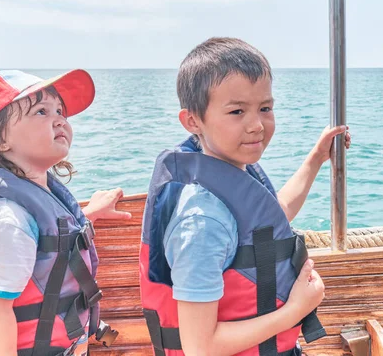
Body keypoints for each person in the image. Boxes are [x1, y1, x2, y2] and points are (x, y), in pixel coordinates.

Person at [139, 37, 351, 355]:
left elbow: (271, 219)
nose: (257, 125)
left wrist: (317, 158)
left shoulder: (230, 171)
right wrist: (294, 311)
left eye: (265, 108)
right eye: (237, 111)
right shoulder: (202, 221)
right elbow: (200, 347)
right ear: (193, 120)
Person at [0, 70, 129, 356]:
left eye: (60, 110)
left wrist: (88, 214)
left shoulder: (35, 200)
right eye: (41, 112)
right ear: (1, 139)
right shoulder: (6, 221)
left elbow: (53, 238)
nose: (59, 118)